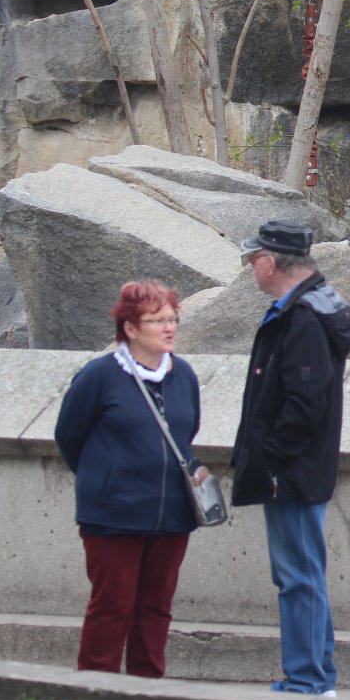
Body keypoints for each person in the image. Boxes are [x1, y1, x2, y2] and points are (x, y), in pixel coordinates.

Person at [55, 279, 206, 678]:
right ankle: (95, 687)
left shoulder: (184, 375)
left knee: (155, 606)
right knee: (113, 605)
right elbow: (69, 436)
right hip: (113, 514)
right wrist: (105, 480)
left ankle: (148, 690)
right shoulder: (100, 375)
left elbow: (186, 435)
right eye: (157, 320)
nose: (169, 327)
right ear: (131, 328)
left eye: (173, 319)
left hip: (173, 513)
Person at [230, 220, 350, 697]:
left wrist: (270, 457)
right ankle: (317, 675)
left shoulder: (303, 318)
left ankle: (307, 680)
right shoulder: (311, 308)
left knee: (297, 576)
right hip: (300, 469)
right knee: (303, 573)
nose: (250, 268)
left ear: (268, 261)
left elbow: (305, 404)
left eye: (251, 259)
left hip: (292, 471)